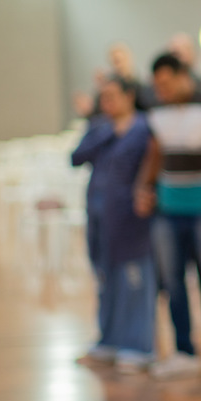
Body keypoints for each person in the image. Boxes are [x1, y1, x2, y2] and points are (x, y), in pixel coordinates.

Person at [141, 52, 201, 381]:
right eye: (157, 86)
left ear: (185, 76)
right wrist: (146, 186)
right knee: (172, 281)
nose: (162, 91)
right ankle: (184, 351)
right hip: (169, 208)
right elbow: (156, 151)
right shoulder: (155, 107)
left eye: (167, 84)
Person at [71, 76, 157, 372]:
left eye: (112, 96)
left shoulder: (144, 128)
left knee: (133, 281)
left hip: (131, 220)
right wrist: (104, 132)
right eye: (102, 97)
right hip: (99, 217)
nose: (107, 103)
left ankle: (137, 346)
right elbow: (76, 157)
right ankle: (109, 340)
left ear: (129, 96)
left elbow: (154, 167)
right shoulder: (99, 128)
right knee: (105, 279)